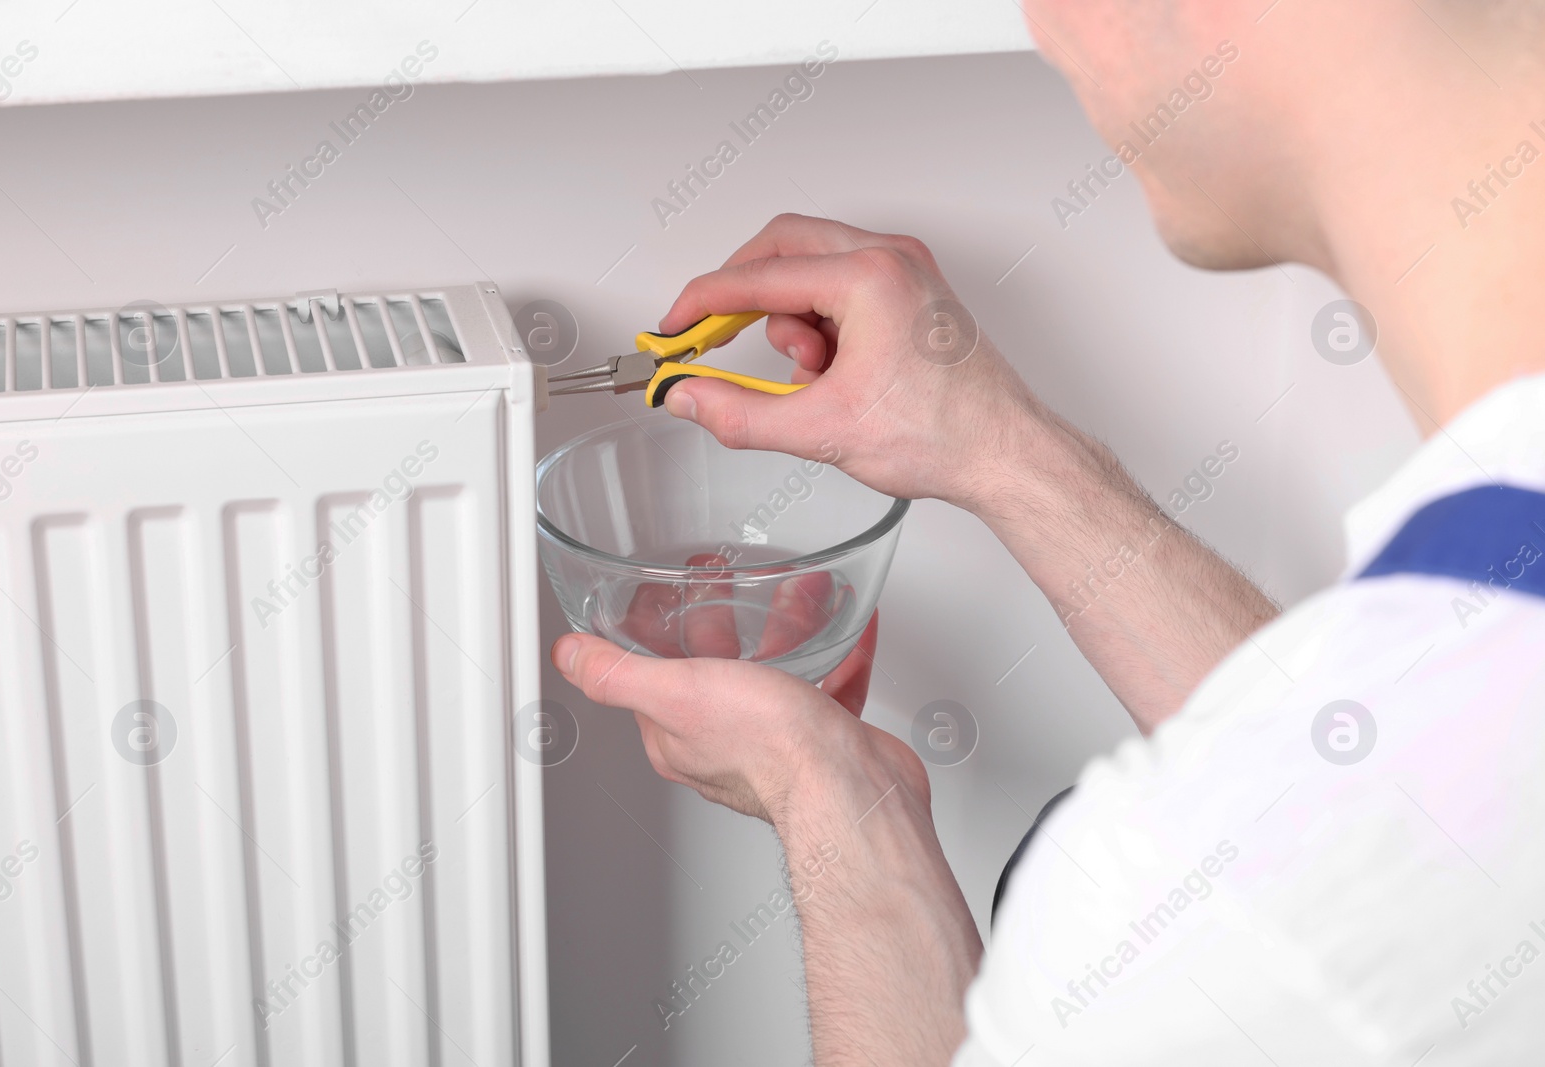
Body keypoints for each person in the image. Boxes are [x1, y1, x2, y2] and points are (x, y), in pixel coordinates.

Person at [551, 0, 1545, 1062]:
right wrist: (998, 448)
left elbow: (1325, 882)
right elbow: (1369, 806)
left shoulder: (1229, 933)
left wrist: (834, 801)